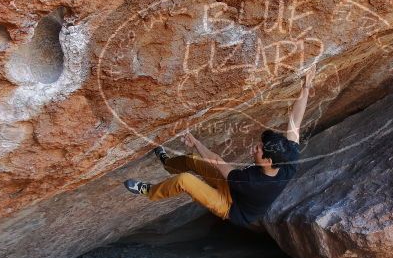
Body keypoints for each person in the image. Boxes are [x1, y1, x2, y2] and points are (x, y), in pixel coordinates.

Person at [123, 64, 316, 229]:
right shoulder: (288, 160)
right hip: (237, 189)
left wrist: (196, 142)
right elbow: (295, 122)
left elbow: (216, 161)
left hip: (231, 207)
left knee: (185, 180)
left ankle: (149, 191)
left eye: (259, 149)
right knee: (192, 160)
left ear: (268, 161)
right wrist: (306, 87)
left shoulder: (251, 183)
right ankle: (167, 164)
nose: (255, 147)